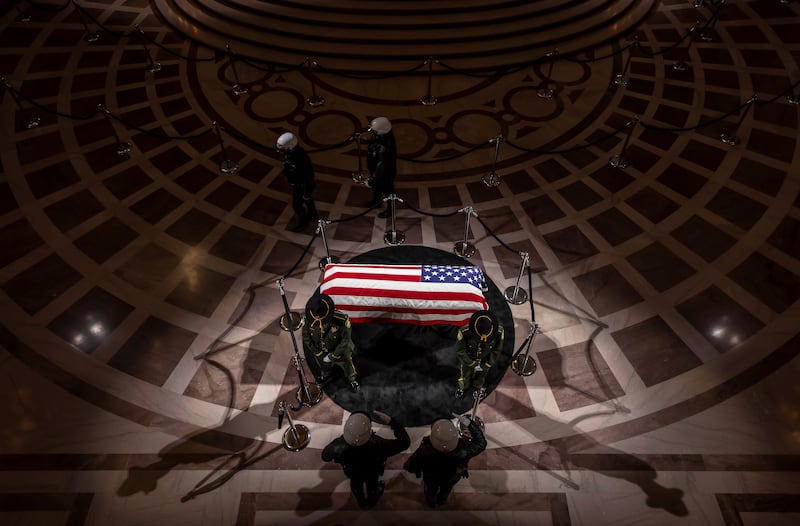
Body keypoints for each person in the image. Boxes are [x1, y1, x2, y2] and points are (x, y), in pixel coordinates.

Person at [322, 410, 410, 508]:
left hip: (352, 472)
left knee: (356, 485)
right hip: (372, 472)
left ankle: (361, 502)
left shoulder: (337, 445)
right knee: (372, 486)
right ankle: (372, 502)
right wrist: (392, 422)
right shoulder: (379, 445)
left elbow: (325, 457)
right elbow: (405, 443)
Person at [403, 414, 486, 508]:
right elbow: (481, 443)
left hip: (431, 479)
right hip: (452, 477)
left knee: (431, 490)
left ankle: (431, 503)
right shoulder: (463, 449)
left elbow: (411, 466)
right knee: (446, 489)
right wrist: (469, 423)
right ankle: (442, 501)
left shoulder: (425, 451)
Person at [301, 293, 360, 392]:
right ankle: (325, 374)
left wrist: (332, 356)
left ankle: (352, 379)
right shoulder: (308, 319)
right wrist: (319, 353)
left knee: (347, 363)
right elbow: (307, 339)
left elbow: (345, 340)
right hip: (320, 349)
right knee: (323, 365)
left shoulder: (341, 319)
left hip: (339, 350)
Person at [455, 310, 504, 399]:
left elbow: (497, 349)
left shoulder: (499, 332)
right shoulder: (465, 331)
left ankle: (477, 386)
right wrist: (471, 363)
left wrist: (488, 363)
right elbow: (460, 349)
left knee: (482, 375)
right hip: (469, 358)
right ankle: (463, 387)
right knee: (465, 375)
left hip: (485, 359)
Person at [276, 131, 318, 232]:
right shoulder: (293, 154)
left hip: (302, 184)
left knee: (297, 205)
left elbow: (308, 176)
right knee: (307, 199)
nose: (281, 151)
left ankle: (303, 223)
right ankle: (313, 214)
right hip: (300, 183)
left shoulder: (300, 159)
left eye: (283, 149)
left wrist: (307, 191)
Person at [365, 116, 397, 219]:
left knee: (388, 192)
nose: (372, 133)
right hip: (377, 169)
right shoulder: (383, 136)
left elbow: (381, 165)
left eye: (374, 131)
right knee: (376, 187)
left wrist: (373, 178)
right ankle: (377, 201)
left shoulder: (385, 146)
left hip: (385, 173)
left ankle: (390, 210)